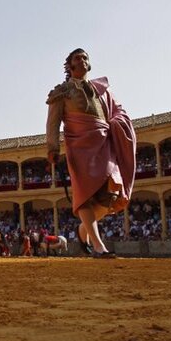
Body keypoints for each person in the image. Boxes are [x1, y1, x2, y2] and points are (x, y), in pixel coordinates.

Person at [46, 48, 136, 259]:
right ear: (69, 65)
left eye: (85, 57)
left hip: (104, 145)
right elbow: (53, 122)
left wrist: (117, 124)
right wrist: (52, 148)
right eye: (78, 58)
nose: (83, 60)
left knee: (110, 194)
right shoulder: (62, 91)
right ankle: (98, 246)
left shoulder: (101, 90)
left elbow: (119, 112)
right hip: (79, 148)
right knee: (84, 198)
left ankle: (83, 230)